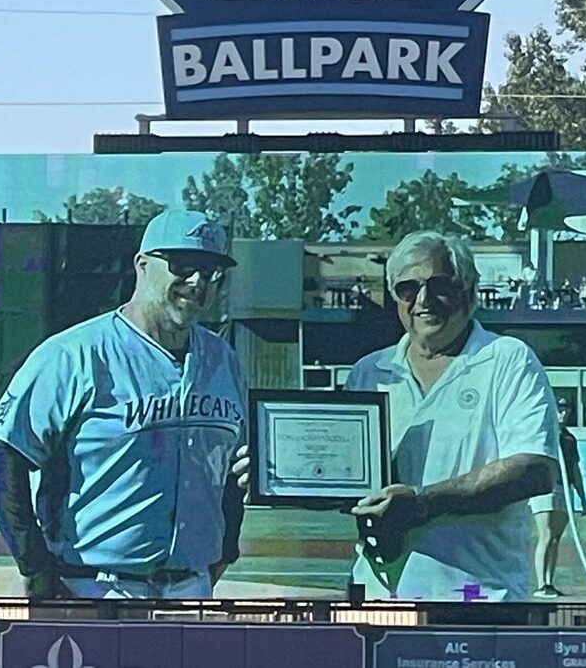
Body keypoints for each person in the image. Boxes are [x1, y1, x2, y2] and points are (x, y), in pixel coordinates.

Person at [238, 230, 559, 602]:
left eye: (439, 285)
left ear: (468, 291)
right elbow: (351, 483)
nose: (424, 300)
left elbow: (534, 471)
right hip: (379, 594)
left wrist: (422, 502)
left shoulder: (507, 358)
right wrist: (275, 472)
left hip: (478, 596)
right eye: (409, 288)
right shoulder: (370, 371)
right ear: (395, 298)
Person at [0, 209, 247, 600]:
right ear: (142, 265)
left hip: (192, 588)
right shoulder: (76, 354)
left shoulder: (224, 360)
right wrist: (37, 568)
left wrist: (228, 546)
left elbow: (235, 469)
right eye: (182, 266)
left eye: (210, 272)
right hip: (94, 587)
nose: (197, 282)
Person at [530, 397, 586, 599]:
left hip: (565, 489)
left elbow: (575, 468)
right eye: (560, 410)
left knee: (555, 538)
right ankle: (540, 583)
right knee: (545, 535)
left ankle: (549, 581)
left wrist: (582, 498)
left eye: (566, 410)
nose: (563, 414)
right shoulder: (545, 435)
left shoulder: (569, 438)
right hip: (546, 489)